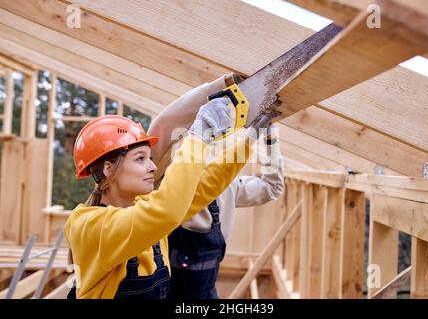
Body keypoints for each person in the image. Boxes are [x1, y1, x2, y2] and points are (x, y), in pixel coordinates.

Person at [64, 92, 279, 299]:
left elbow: (206, 185)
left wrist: (250, 139)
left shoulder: (143, 206)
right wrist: (198, 136)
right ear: (108, 168)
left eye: (150, 158)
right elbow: (167, 209)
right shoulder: (89, 226)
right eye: (140, 159)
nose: (152, 167)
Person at [146, 74, 284, 299]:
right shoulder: (159, 185)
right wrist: (223, 85)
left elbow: (271, 187)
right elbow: (164, 124)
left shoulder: (226, 187)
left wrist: (269, 137)